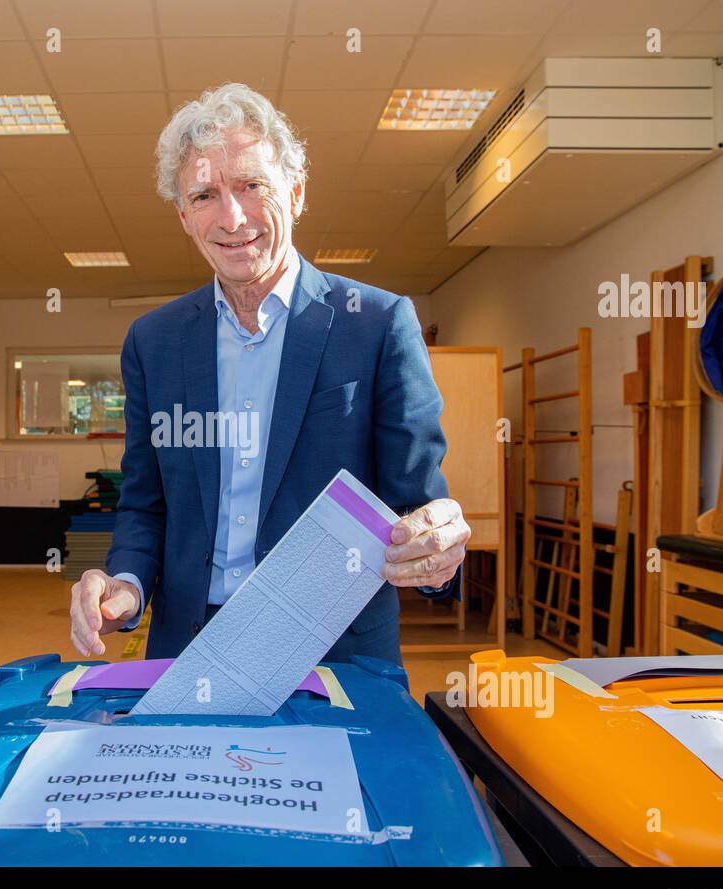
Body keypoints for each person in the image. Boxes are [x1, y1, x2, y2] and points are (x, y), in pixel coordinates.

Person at [68, 83, 470, 664]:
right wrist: (124, 584)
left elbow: (418, 509)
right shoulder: (153, 342)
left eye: (252, 185)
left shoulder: (377, 325)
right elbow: (146, 503)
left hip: (336, 651)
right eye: (205, 194)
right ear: (184, 216)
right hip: (190, 648)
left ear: (296, 190)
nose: (232, 217)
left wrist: (436, 551)